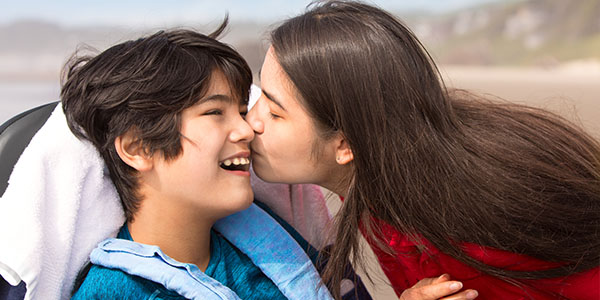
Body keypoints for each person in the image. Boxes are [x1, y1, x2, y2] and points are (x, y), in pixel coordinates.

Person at [246, 1, 600, 299]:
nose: (251, 118)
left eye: (275, 112)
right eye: (260, 92)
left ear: (345, 145)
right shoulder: (396, 185)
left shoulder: (449, 225)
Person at [60, 21, 336, 299]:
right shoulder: (114, 293)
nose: (246, 129)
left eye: (241, 112)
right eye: (215, 112)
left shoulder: (270, 242)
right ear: (138, 148)